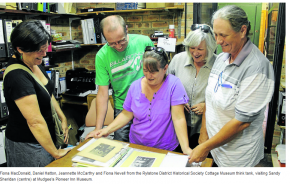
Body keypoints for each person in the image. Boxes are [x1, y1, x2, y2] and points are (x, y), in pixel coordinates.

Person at [188, 5, 275, 167]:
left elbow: (242, 121)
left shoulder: (257, 68)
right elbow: (210, 99)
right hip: (215, 148)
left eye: (223, 35)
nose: (218, 41)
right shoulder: (221, 58)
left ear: (242, 30)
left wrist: (204, 146)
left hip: (238, 157)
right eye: (215, 34)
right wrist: (204, 135)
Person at [87, 46, 192, 155]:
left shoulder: (173, 84)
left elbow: (178, 118)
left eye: (153, 72)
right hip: (137, 145)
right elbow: (126, 114)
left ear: (165, 68)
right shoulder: (135, 86)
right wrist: (106, 130)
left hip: (165, 147)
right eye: (145, 70)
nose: (148, 75)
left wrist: (185, 148)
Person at [3, 20, 70, 167]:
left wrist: (62, 118)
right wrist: (56, 153)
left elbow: (47, 92)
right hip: (28, 144)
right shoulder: (17, 76)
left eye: (46, 49)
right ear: (20, 49)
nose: (44, 54)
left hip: (45, 139)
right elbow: (35, 122)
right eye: (40, 50)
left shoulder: (33, 62)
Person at [85, 15, 154, 142]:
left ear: (126, 29)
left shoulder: (144, 42)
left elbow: (158, 74)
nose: (118, 46)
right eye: (112, 43)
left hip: (148, 104)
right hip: (122, 107)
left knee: (148, 145)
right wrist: (98, 129)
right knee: (120, 147)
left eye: (121, 41)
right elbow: (102, 94)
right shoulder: (102, 55)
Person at [167, 24, 217, 149]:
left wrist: (207, 106)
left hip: (205, 129)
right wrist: (176, 101)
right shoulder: (178, 60)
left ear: (210, 48)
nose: (195, 53)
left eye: (200, 49)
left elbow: (225, 97)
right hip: (178, 125)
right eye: (191, 48)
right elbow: (166, 87)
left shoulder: (219, 64)